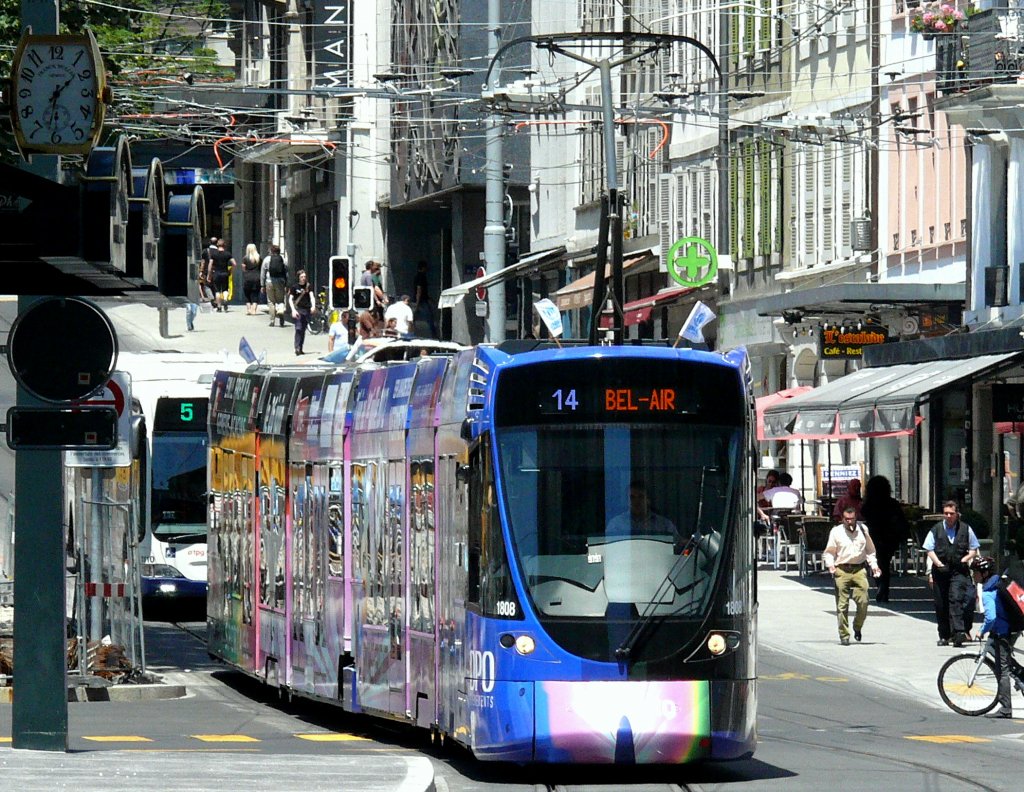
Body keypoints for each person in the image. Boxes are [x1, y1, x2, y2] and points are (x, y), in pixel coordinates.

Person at [822, 506, 882, 645]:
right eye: (846, 519)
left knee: (863, 601)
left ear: (856, 518)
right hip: (842, 569)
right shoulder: (836, 532)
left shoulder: (863, 530)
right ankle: (844, 635)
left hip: (859, 569)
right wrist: (830, 565)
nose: (849, 521)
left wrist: (874, 565)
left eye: (852, 519)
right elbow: (829, 552)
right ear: (842, 519)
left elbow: (870, 551)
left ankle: (857, 626)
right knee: (842, 605)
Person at [924, 500, 980, 647]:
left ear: (957, 514)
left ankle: (958, 633)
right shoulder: (936, 529)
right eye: (946, 513)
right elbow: (929, 549)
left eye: (951, 513)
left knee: (956, 599)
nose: (948, 516)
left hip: (958, 570)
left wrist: (965, 559)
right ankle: (944, 635)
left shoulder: (966, 529)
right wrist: (937, 563)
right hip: (940, 570)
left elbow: (974, 549)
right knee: (941, 603)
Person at [971, 556, 1018, 718]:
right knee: (994, 650)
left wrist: (981, 630)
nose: (974, 575)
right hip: (1010, 627)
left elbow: (990, 618)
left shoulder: (988, 592)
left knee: (1002, 670)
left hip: (1003, 631)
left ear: (984, 573)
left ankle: (1006, 709)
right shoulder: (999, 582)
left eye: (976, 572)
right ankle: (1020, 675)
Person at [860, 475, 910, 603]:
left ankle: (880, 585)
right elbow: (901, 520)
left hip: (874, 536)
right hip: (890, 537)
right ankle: (884, 589)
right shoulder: (892, 503)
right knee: (885, 562)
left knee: (877, 561)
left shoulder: (869, 504)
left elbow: (864, 514)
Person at [606, 480, 678, 538]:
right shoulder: (616, 524)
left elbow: (679, 545)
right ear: (626, 501)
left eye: (641, 496)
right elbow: (608, 547)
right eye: (632, 497)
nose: (636, 501)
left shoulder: (664, 524)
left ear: (648, 500)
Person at [288, 269, 316, 356]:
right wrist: (293, 310)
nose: (303, 278)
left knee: (303, 329)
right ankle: (297, 347)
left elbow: (312, 296)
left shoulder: (308, 286)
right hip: (298, 310)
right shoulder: (294, 287)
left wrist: (313, 306)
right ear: (298, 278)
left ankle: (300, 348)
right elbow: (290, 299)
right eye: (302, 277)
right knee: (298, 328)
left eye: (304, 277)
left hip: (306, 310)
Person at [261, 244, 288, 327]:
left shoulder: (266, 259)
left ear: (271, 251)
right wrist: (286, 284)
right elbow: (286, 272)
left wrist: (262, 285)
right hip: (280, 282)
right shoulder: (283, 259)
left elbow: (263, 273)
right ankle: (281, 312)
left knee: (271, 301)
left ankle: (272, 320)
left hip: (269, 281)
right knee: (280, 300)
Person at [207, 238, 235, 312]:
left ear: (217, 245)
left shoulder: (214, 254)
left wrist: (209, 275)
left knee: (217, 291)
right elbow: (234, 263)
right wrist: (231, 270)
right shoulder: (228, 254)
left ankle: (219, 307)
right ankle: (225, 300)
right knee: (225, 289)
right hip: (225, 273)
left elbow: (210, 265)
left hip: (216, 273)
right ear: (224, 245)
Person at [413, 260, 437, 337]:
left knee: (417, 317)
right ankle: (433, 335)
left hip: (422, 300)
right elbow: (419, 290)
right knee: (429, 318)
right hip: (422, 301)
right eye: (425, 267)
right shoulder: (421, 277)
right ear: (423, 268)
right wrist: (417, 303)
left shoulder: (418, 276)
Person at [241, 243, 263, 315]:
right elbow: (261, 268)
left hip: (248, 277)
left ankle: (248, 309)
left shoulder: (245, 258)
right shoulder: (259, 258)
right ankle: (254, 310)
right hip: (257, 277)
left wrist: (245, 273)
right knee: (255, 293)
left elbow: (243, 268)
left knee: (247, 293)